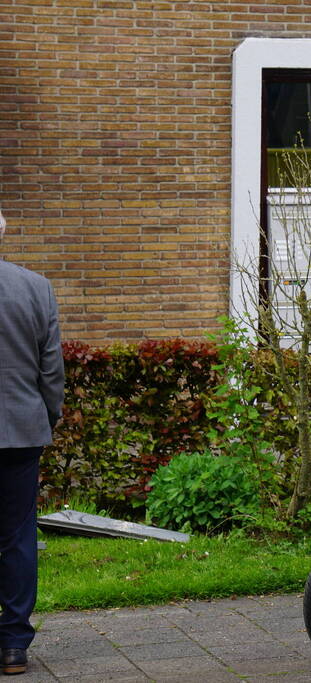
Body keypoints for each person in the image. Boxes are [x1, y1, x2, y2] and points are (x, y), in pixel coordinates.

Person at [0, 207, 65, 677]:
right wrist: (50, 417)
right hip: (21, 431)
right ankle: (14, 645)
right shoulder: (35, 287)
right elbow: (51, 370)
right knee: (18, 535)